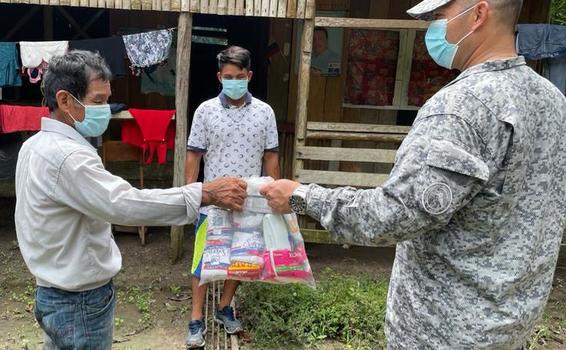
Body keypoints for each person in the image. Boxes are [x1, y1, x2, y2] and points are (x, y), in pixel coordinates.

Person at [261, 0, 566, 348]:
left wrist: (301, 197)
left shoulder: (461, 107)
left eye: (438, 17)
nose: (431, 29)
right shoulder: (552, 101)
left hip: (444, 333)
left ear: (478, 14)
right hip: (512, 326)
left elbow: (392, 216)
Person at [14, 50, 247, 350]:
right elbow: (126, 204)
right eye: (97, 101)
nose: (106, 109)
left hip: (52, 292)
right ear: (64, 101)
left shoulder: (34, 146)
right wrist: (206, 193)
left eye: (106, 100)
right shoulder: (68, 157)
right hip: (80, 301)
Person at [184, 46, 280, 348]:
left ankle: (225, 307)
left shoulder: (265, 112)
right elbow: (194, 155)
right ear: (219, 77)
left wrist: (275, 194)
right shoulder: (204, 111)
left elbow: (271, 157)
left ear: (249, 76)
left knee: (241, 259)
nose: (234, 81)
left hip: (248, 200)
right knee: (202, 262)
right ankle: (196, 319)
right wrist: (192, 193)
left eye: (240, 76)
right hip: (211, 199)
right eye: (228, 77)